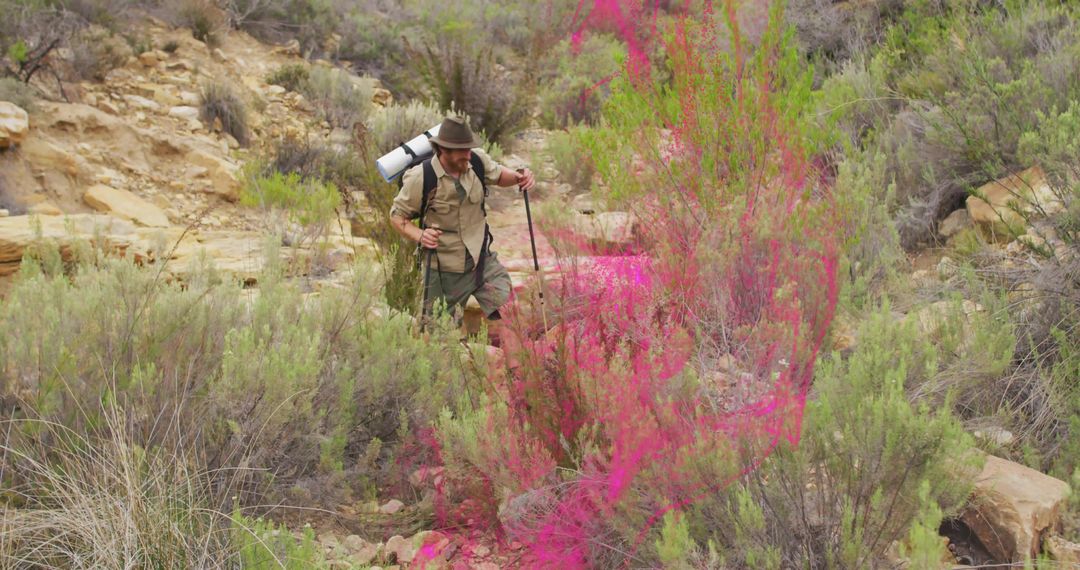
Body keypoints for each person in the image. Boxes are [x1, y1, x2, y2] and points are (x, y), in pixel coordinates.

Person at [389, 115, 535, 328]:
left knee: (510, 311)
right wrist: (420, 235)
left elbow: (498, 174)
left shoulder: (475, 160)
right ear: (443, 150)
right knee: (438, 334)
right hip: (443, 270)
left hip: (481, 260)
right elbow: (397, 216)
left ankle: (518, 362)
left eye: (469, 148)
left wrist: (519, 176)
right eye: (462, 150)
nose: (468, 154)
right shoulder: (421, 177)